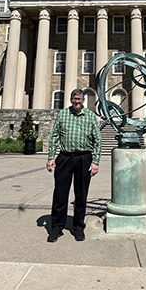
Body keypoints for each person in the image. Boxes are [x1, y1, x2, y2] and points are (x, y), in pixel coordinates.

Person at [46, 88, 102, 242]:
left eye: (79, 99)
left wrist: (95, 161)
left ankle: (78, 227)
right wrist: (51, 157)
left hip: (84, 158)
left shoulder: (90, 116)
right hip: (64, 157)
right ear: (71, 100)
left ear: (83, 100)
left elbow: (97, 140)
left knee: (81, 194)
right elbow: (54, 136)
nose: (77, 101)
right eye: (74, 99)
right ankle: (57, 227)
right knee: (60, 194)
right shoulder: (63, 114)